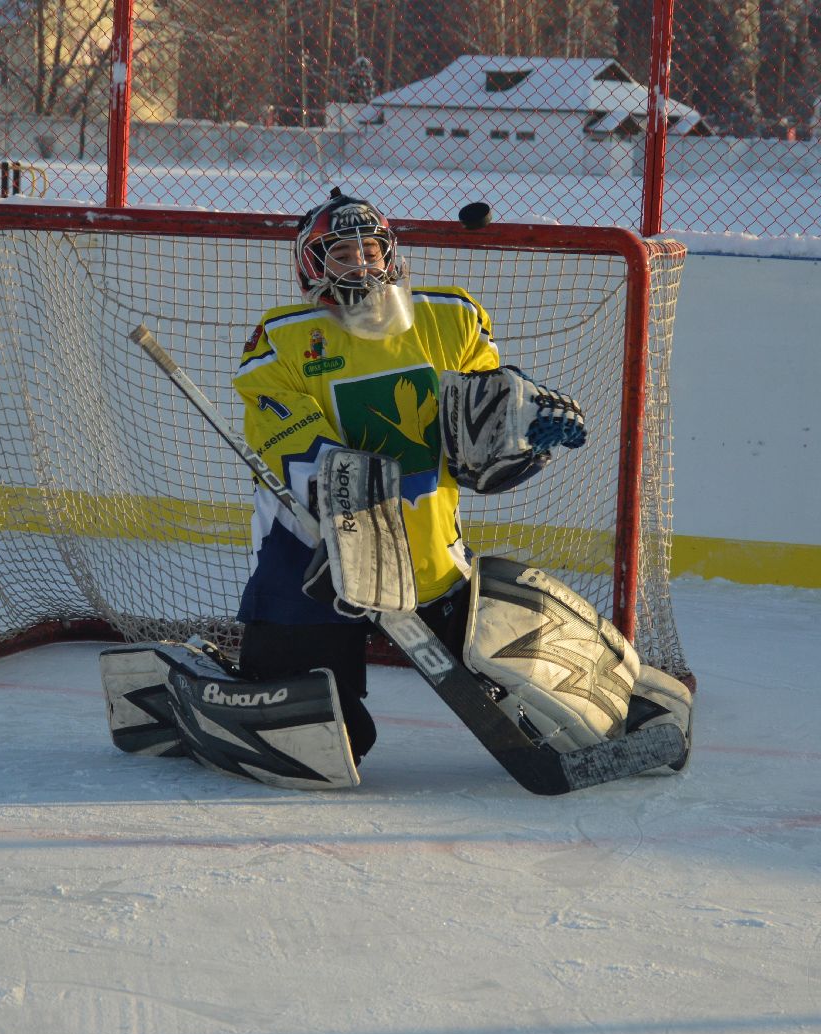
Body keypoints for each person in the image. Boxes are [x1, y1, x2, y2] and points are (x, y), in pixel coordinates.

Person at [229, 189, 586, 766]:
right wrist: (349, 502)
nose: (362, 264)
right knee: (327, 738)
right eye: (342, 254)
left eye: (372, 249)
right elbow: (288, 445)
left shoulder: (451, 318)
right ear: (312, 264)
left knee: (514, 683)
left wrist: (525, 424)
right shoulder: (284, 340)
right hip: (312, 559)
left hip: (427, 553)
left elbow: (482, 422)